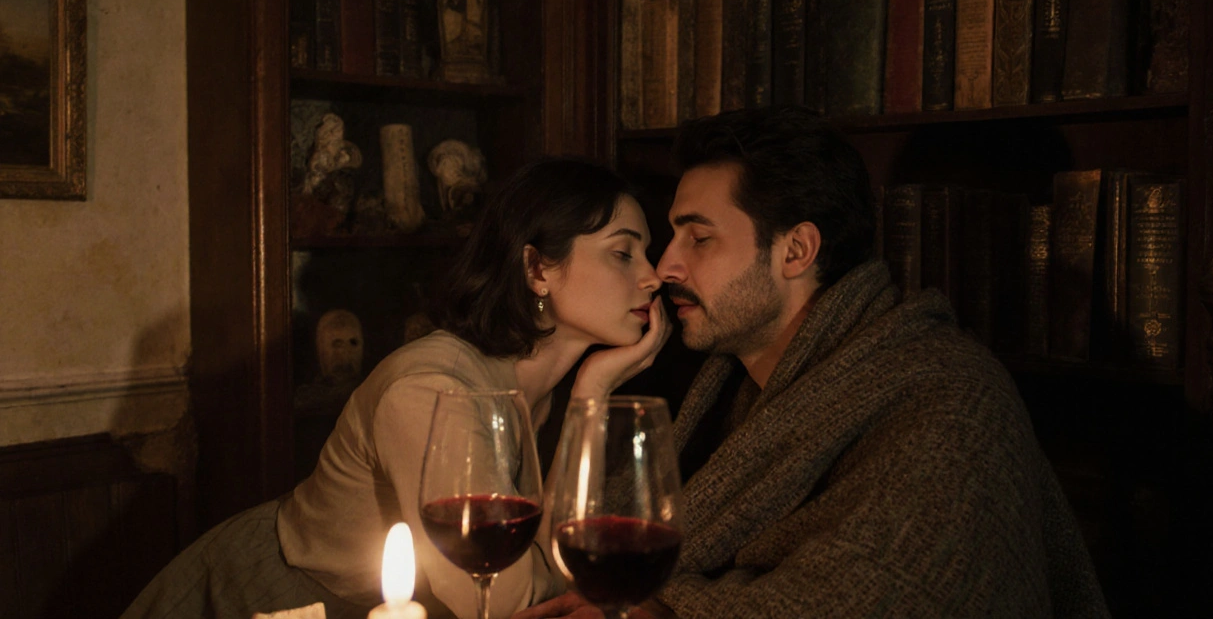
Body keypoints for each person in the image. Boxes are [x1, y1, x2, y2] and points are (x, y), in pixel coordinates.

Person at [517, 107, 1108, 618]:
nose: (664, 267)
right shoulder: (730, 381)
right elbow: (602, 546)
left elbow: (879, 600)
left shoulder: (951, 397)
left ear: (796, 250)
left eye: (698, 239)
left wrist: (671, 604)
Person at [122, 157, 671, 619]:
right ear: (537, 269)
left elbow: (548, 565)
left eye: (647, 253)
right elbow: (506, 598)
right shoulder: (432, 389)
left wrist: (593, 390)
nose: (652, 276)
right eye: (623, 253)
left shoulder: (536, 387)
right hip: (276, 597)